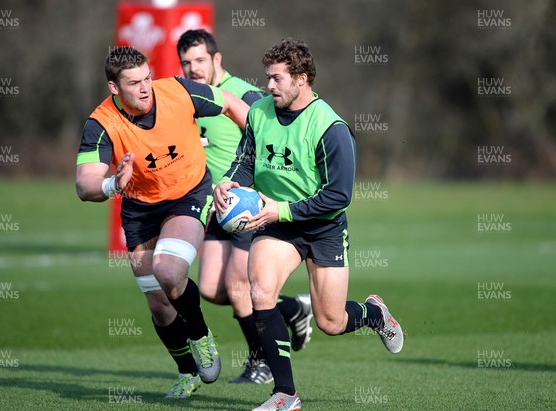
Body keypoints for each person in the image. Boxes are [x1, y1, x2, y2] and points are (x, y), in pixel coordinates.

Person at [214, 38, 404, 411]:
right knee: (261, 293)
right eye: (268, 77)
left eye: (277, 79)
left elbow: (338, 196)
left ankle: (374, 313)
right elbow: (246, 159)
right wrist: (230, 180)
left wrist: (281, 210)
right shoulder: (258, 113)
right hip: (275, 222)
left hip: (322, 226)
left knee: (331, 321)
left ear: (302, 79)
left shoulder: (330, 127)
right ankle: (285, 394)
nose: (268, 86)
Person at [76, 46, 250, 399]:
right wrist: (112, 184)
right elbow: (84, 183)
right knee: (157, 302)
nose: (145, 88)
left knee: (168, 271)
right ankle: (187, 372)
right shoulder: (101, 122)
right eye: (134, 83)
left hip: (190, 194)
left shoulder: (179, 91)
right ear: (114, 88)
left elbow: (232, 105)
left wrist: (261, 148)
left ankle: (201, 336)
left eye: (147, 78)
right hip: (140, 209)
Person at [177, 29, 315, 385]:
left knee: (241, 287)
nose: (193, 69)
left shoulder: (245, 96)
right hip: (218, 205)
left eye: (200, 61)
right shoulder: (192, 99)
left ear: (216, 59)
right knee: (210, 288)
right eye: (186, 63)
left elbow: (266, 144)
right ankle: (294, 308)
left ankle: (262, 363)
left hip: (250, 203)